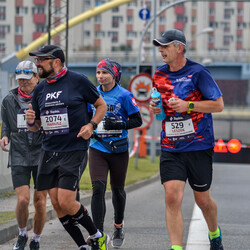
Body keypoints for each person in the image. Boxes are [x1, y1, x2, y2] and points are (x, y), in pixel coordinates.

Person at [26, 45, 108, 250]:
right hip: (48, 151)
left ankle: (97, 235)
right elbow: (36, 126)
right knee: (55, 203)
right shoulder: (40, 89)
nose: (37, 65)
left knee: (66, 200)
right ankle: (83, 245)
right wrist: (30, 121)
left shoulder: (78, 80)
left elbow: (101, 105)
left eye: (41, 60)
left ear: (56, 62)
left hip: (73, 149)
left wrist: (91, 125)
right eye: (36, 61)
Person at [149, 29, 224, 250]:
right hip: (171, 146)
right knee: (172, 196)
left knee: (202, 200)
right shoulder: (159, 75)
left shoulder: (199, 73)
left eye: (165, 46)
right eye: (159, 46)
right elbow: (161, 112)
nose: (161, 50)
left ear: (179, 48)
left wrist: (188, 105)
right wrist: (156, 109)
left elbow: (218, 105)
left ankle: (214, 233)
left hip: (198, 144)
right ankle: (176, 247)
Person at [89, 59, 142, 248]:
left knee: (117, 189)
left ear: (114, 75)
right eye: (98, 73)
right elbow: (86, 116)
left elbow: (137, 120)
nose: (101, 76)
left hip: (119, 149)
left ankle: (118, 226)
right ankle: (98, 234)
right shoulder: (92, 93)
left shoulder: (125, 95)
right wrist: (90, 127)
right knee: (98, 188)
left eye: (105, 72)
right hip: (97, 146)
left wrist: (120, 124)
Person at [0, 61, 47, 250]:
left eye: (27, 79)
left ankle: (36, 238)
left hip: (42, 152)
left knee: (40, 202)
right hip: (19, 152)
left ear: (37, 77)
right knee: (23, 200)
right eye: (20, 80)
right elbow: (6, 124)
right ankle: (21, 234)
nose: (23, 83)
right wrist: (4, 136)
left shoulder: (45, 97)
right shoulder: (8, 99)